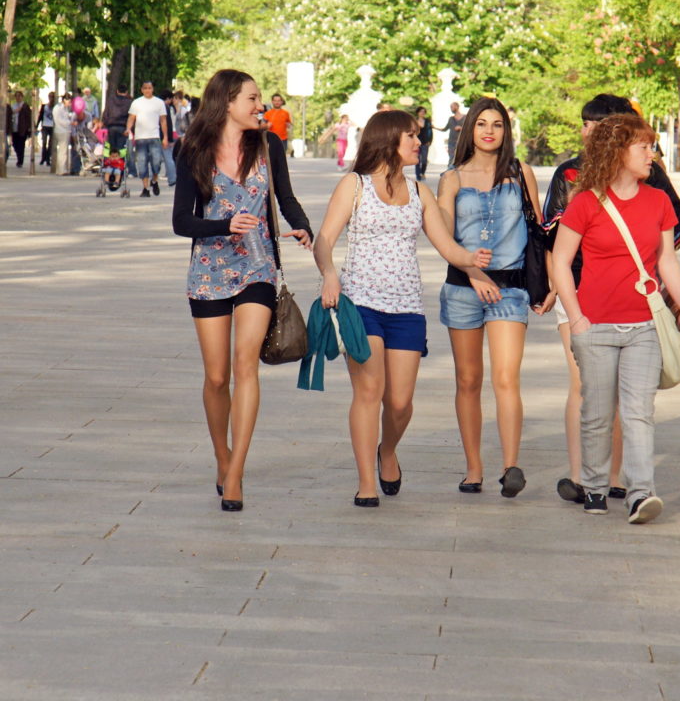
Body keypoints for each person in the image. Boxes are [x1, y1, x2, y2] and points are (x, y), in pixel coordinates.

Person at [313, 110, 492, 508]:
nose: (418, 142)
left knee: (400, 402)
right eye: (411, 136)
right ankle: (366, 484)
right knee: (370, 390)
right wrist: (328, 274)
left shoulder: (419, 191)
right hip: (360, 303)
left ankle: (387, 450)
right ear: (389, 139)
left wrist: (474, 261)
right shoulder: (354, 185)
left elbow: (446, 246)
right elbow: (324, 238)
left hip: (408, 307)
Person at [172, 69, 313, 512]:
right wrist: (224, 224)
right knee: (217, 377)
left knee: (244, 363)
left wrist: (303, 226)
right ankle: (221, 457)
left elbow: (284, 198)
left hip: (258, 266)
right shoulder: (193, 149)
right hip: (209, 270)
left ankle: (236, 475)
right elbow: (182, 222)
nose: (260, 107)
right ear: (227, 102)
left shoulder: (269, 146)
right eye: (252, 99)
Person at [551, 113, 680, 524]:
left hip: (644, 328)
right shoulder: (585, 201)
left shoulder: (658, 201)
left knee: (638, 413)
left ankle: (640, 494)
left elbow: (666, 261)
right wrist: (577, 319)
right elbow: (561, 262)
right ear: (618, 151)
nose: (651, 154)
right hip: (595, 326)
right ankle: (596, 486)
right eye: (643, 147)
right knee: (598, 414)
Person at [436, 97, 548, 498]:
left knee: (505, 378)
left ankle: (511, 466)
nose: (489, 130)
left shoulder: (521, 173)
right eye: (481, 123)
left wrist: (548, 283)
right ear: (469, 129)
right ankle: (473, 468)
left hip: (510, 289)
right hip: (463, 288)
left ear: (506, 130)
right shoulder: (451, 179)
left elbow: (539, 231)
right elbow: (444, 239)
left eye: (497, 124)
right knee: (468, 380)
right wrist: (472, 271)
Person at [125, 82, 168, 197]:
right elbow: (131, 118)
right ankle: (145, 188)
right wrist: (128, 129)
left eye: (149, 88)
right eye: (145, 88)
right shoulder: (136, 103)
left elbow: (163, 120)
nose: (148, 90)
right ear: (142, 90)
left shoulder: (159, 103)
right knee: (142, 163)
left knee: (156, 162)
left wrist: (165, 137)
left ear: (153, 89)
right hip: (140, 137)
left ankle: (154, 180)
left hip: (154, 136)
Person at [102, 84, 132, 155]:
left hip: (111, 127)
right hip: (123, 127)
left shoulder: (111, 100)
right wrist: (130, 128)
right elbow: (131, 116)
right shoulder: (129, 102)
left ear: (117, 91)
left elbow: (106, 114)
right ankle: (120, 163)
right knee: (121, 149)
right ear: (126, 92)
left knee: (111, 148)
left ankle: (112, 163)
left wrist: (105, 124)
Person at [8, 92, 31, 168]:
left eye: (19, 96)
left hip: (22, 128)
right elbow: (10, 113)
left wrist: (29, 127)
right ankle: (19, 156)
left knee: (21, 145)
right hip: (14, 128)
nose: (18, 98)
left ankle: (20, 161)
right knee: (15, 144)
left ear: (22, 97)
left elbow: (28, 117)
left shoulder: (25, 106)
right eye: (16, 96)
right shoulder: (13, 105)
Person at [52, 93, 73, 175]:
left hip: (64, 130)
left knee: (62, 150)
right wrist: (70, 123)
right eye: (69, 101)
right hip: (61, 130)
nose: (70, 103)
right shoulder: (58, 108)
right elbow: (59, 120)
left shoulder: (64, 108)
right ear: (65, 100)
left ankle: (60, 169)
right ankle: (62, 170)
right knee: (63, 151)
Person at [440, 102, 464, 166]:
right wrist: (434, 127)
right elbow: (445, 129)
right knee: (451, 159)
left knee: (460, 159)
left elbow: (469, 128)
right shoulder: (451, 118)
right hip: (451, 142)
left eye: (452, 107)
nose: (451, 109)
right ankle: (449, 174)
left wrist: (461, 128)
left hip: (461, 142)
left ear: (457, 107)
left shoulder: (465, 117)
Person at [38, 92, 56, 166]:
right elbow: (40, 116)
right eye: (50, 96)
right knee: (44, 143)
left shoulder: (56, 106)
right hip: (45, 126)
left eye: (52, 97)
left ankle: (48, 159)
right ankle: (43, 158)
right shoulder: (44, 106)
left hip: (52, 127)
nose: (51, 98)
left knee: (50, 144)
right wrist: (37, 125)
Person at [414, 106, 432, 180]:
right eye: (421, 111)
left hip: (425, 142)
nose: (422, 113)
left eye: (424, 112)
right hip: (417, 143)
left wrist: (430, 141)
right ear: (418, 112)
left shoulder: (427, 121)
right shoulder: (414, 121)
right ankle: (418, 176)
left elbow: (430, 131)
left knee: (424, 160)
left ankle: (422, 172)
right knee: (417, 160)